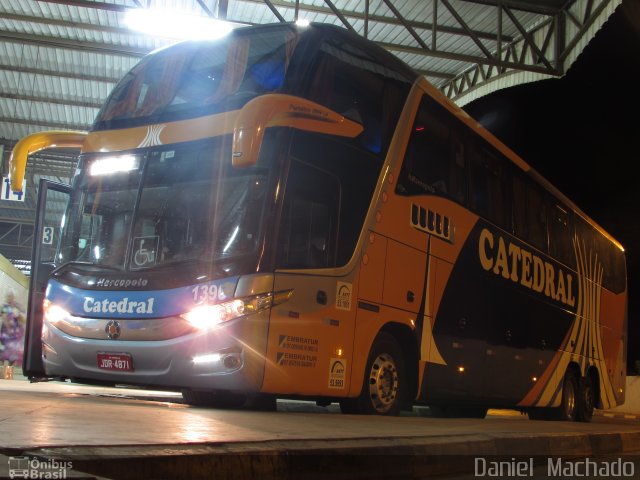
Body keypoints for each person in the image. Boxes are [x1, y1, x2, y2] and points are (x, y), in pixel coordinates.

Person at [0, 290, 26, 368]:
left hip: (15, 332)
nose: (10, 298)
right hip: (6, 332)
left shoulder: (17, 306)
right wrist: (8, 329)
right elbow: (4, 318)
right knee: (4, 347)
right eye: (8, 296)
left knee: (13, 348)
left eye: (11, 296)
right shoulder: (5, 306)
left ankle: (10, 365)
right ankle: (2, 362)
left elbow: (23, 315)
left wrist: (18, 311)